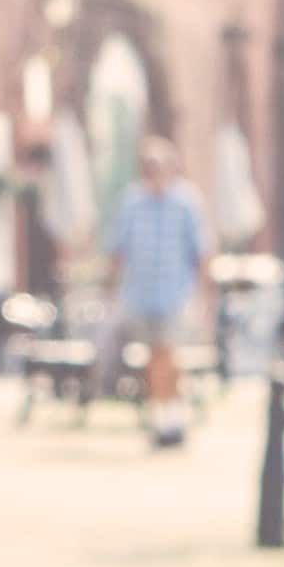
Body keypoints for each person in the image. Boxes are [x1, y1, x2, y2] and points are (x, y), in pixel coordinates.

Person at [108, 137, 211, 447]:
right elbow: (118, 249)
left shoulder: (186, 203)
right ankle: (162, 414)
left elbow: (200, 251)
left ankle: (171, 415)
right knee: (155, 356)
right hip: (141, 293)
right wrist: (111, 289)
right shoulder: (132, 203)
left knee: (167, 351)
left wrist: (204, 294)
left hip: (173, 292)